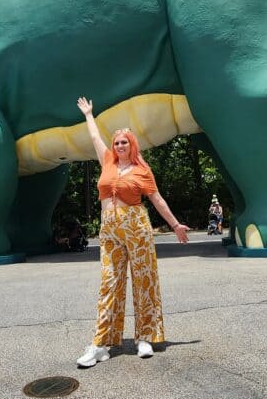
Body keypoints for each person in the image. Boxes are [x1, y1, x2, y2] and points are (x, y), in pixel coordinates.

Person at [75, 96, 191, 368]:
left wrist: (175, 225)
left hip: (137, 228)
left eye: (124, 142)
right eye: (116, 143)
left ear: (132, 144)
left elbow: (157, 200)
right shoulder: (107, 162)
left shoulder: (142, 170)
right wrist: (89, 115)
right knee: (109, 284)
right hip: (110, 230)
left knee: (144, 281)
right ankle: (102, 343)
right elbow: (94, 137)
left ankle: (146, 338)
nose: (119, 146)